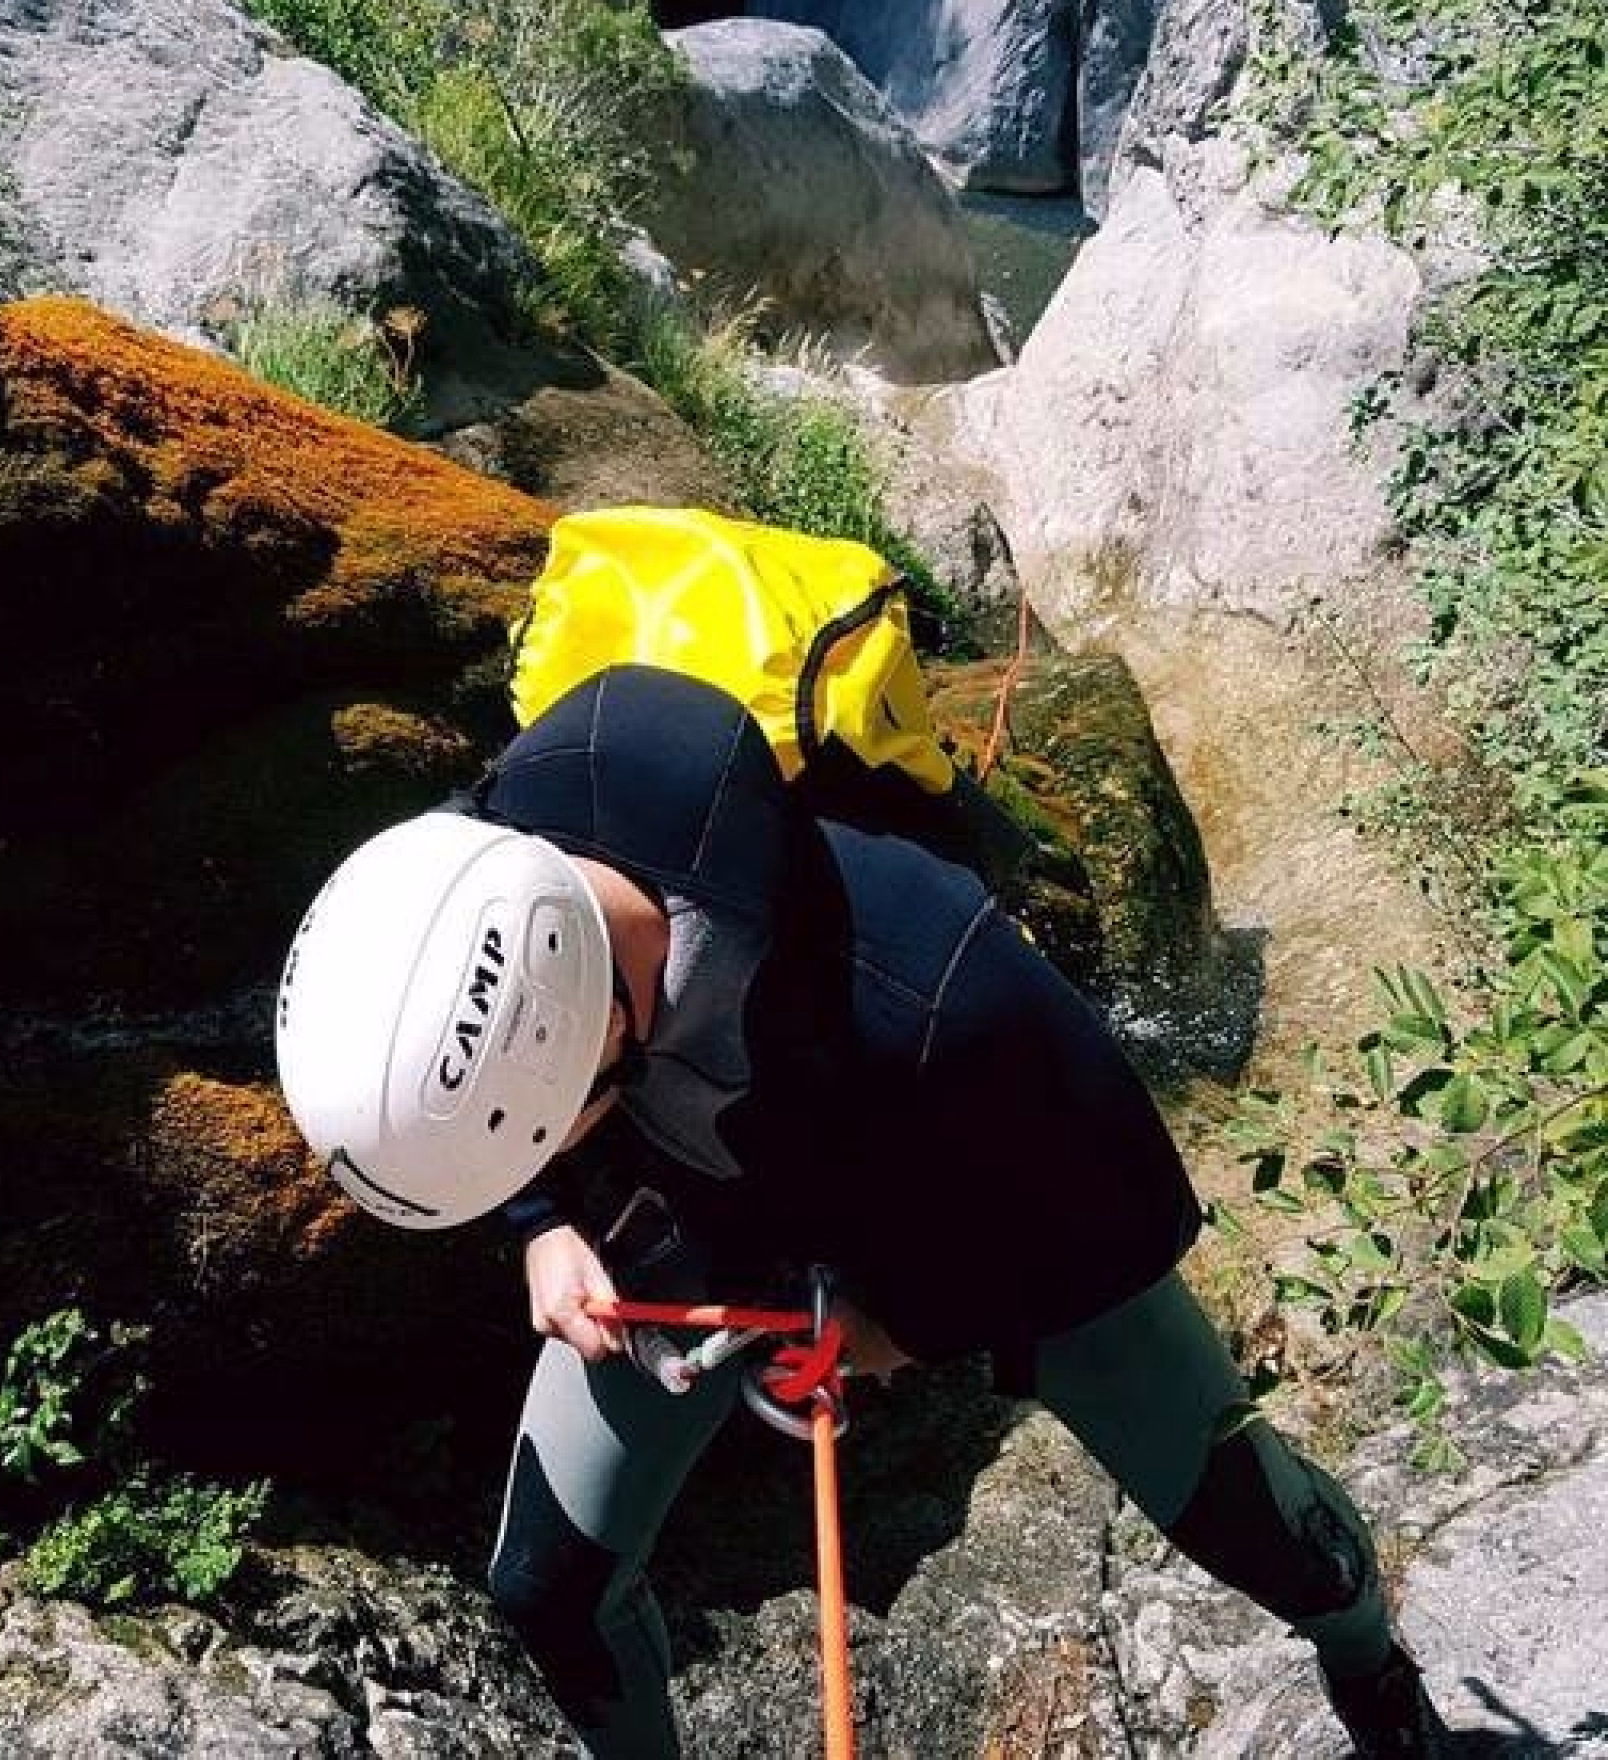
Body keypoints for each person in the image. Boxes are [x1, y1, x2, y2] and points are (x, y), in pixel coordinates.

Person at [276, 663, 1452, 1758]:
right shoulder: (500, 848)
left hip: (982, 1191)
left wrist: (903, 1327)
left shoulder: (944, 991)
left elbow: (1121, 1215)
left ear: (598, 1038)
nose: (553, 1152)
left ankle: (1370, 1666)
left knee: (1254, 1522)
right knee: (551, 1587)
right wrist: (542, 1224)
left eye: (549, 1135)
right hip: (711, 1202)